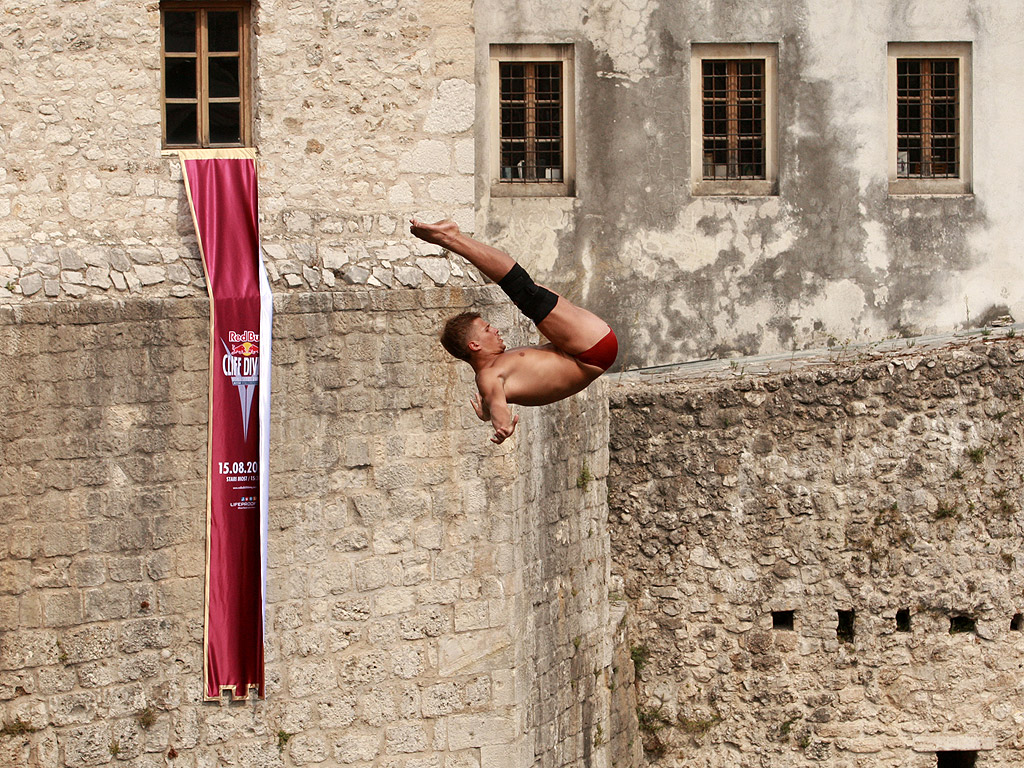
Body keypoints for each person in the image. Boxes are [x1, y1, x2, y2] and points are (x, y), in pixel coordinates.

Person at [410, 219, 617, 444]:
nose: (495, 330)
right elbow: (500, 407)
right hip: (590, 351)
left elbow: (494, 399)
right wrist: (501, 426)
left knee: (525, 290)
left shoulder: (492, 375)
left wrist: (487, 412)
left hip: (581, 349)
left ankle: (453, 238)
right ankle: (452, 238)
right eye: (487, 329)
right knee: (523, 291)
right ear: (474, 345)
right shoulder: (488, 377)